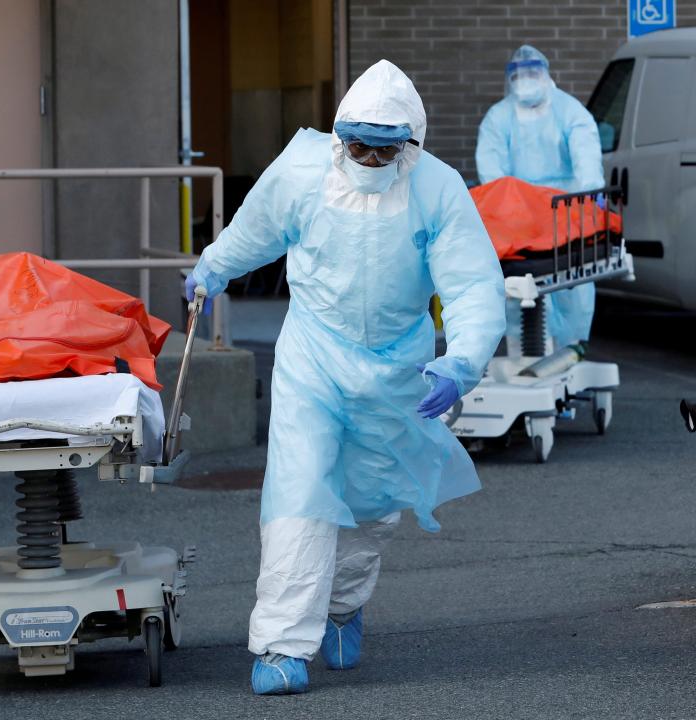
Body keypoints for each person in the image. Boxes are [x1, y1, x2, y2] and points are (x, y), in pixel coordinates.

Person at [185, 60, 506, 695]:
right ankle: (282, 645)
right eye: (356, 143)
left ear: (408, 144)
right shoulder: (303, 169)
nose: (365, 157)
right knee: (299, 494)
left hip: (397, 367)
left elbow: (472, 284)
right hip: (314, 355)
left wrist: (460, 361)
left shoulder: (438, 190)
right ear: (338, 135)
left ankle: (342, 606)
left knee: (372, 508)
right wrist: (212, 268)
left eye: (382, 148)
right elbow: (254, 230)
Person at [476, 45, 605, 350]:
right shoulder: (499, 118)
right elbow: (492, 173)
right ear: (510, 79)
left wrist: (591, 199)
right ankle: (523, 352)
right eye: (520, 75)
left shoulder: (570, 113)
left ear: (546, 75)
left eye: (533, 73)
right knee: (517, 295)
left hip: (565, 215)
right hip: (519, 219)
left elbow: (587, 161)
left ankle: (571, 349)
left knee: (571, 293)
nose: (526, 80)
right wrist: (511, 207)